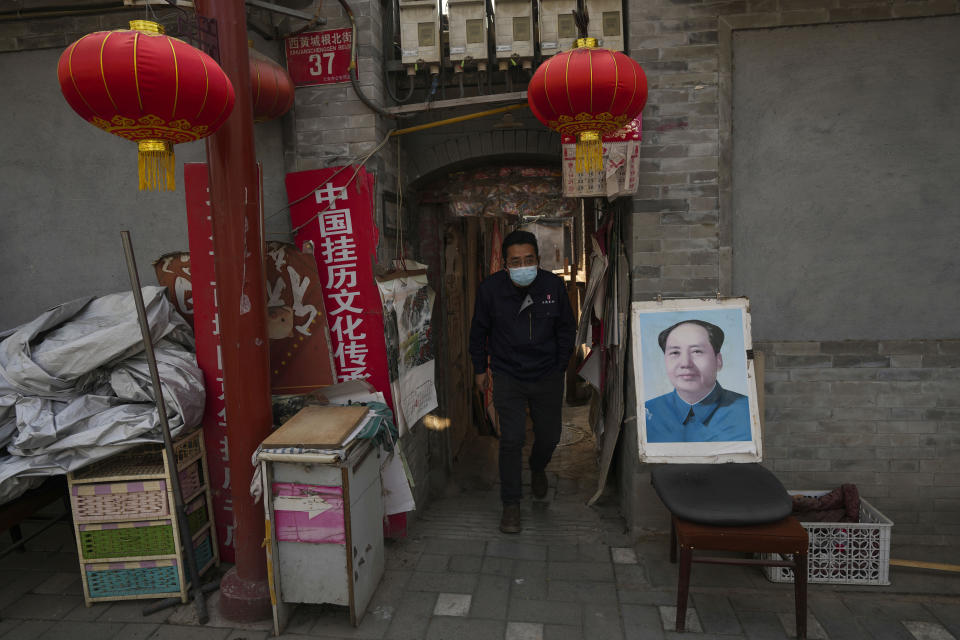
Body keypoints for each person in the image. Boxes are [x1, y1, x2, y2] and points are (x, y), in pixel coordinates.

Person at [469, 230, 576, 533]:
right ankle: (511, 505)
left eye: (528, 260)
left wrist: (559, 365)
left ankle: (539, 466)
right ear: (505, 264)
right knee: (511, 440)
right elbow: (478, 332)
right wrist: (480, 368)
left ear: (538, 260)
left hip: (546, 374)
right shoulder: (490, 290)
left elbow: (567, 328)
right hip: (507, 374)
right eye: (516, 261)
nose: (523, 265)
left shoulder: (552, 286)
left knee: (550, 435)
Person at [644, 319, 751, 443]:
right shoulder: (647, 413)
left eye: (697, 351)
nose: (685, 363)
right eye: (675, 352)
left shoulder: (748, 412)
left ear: (718, 360)